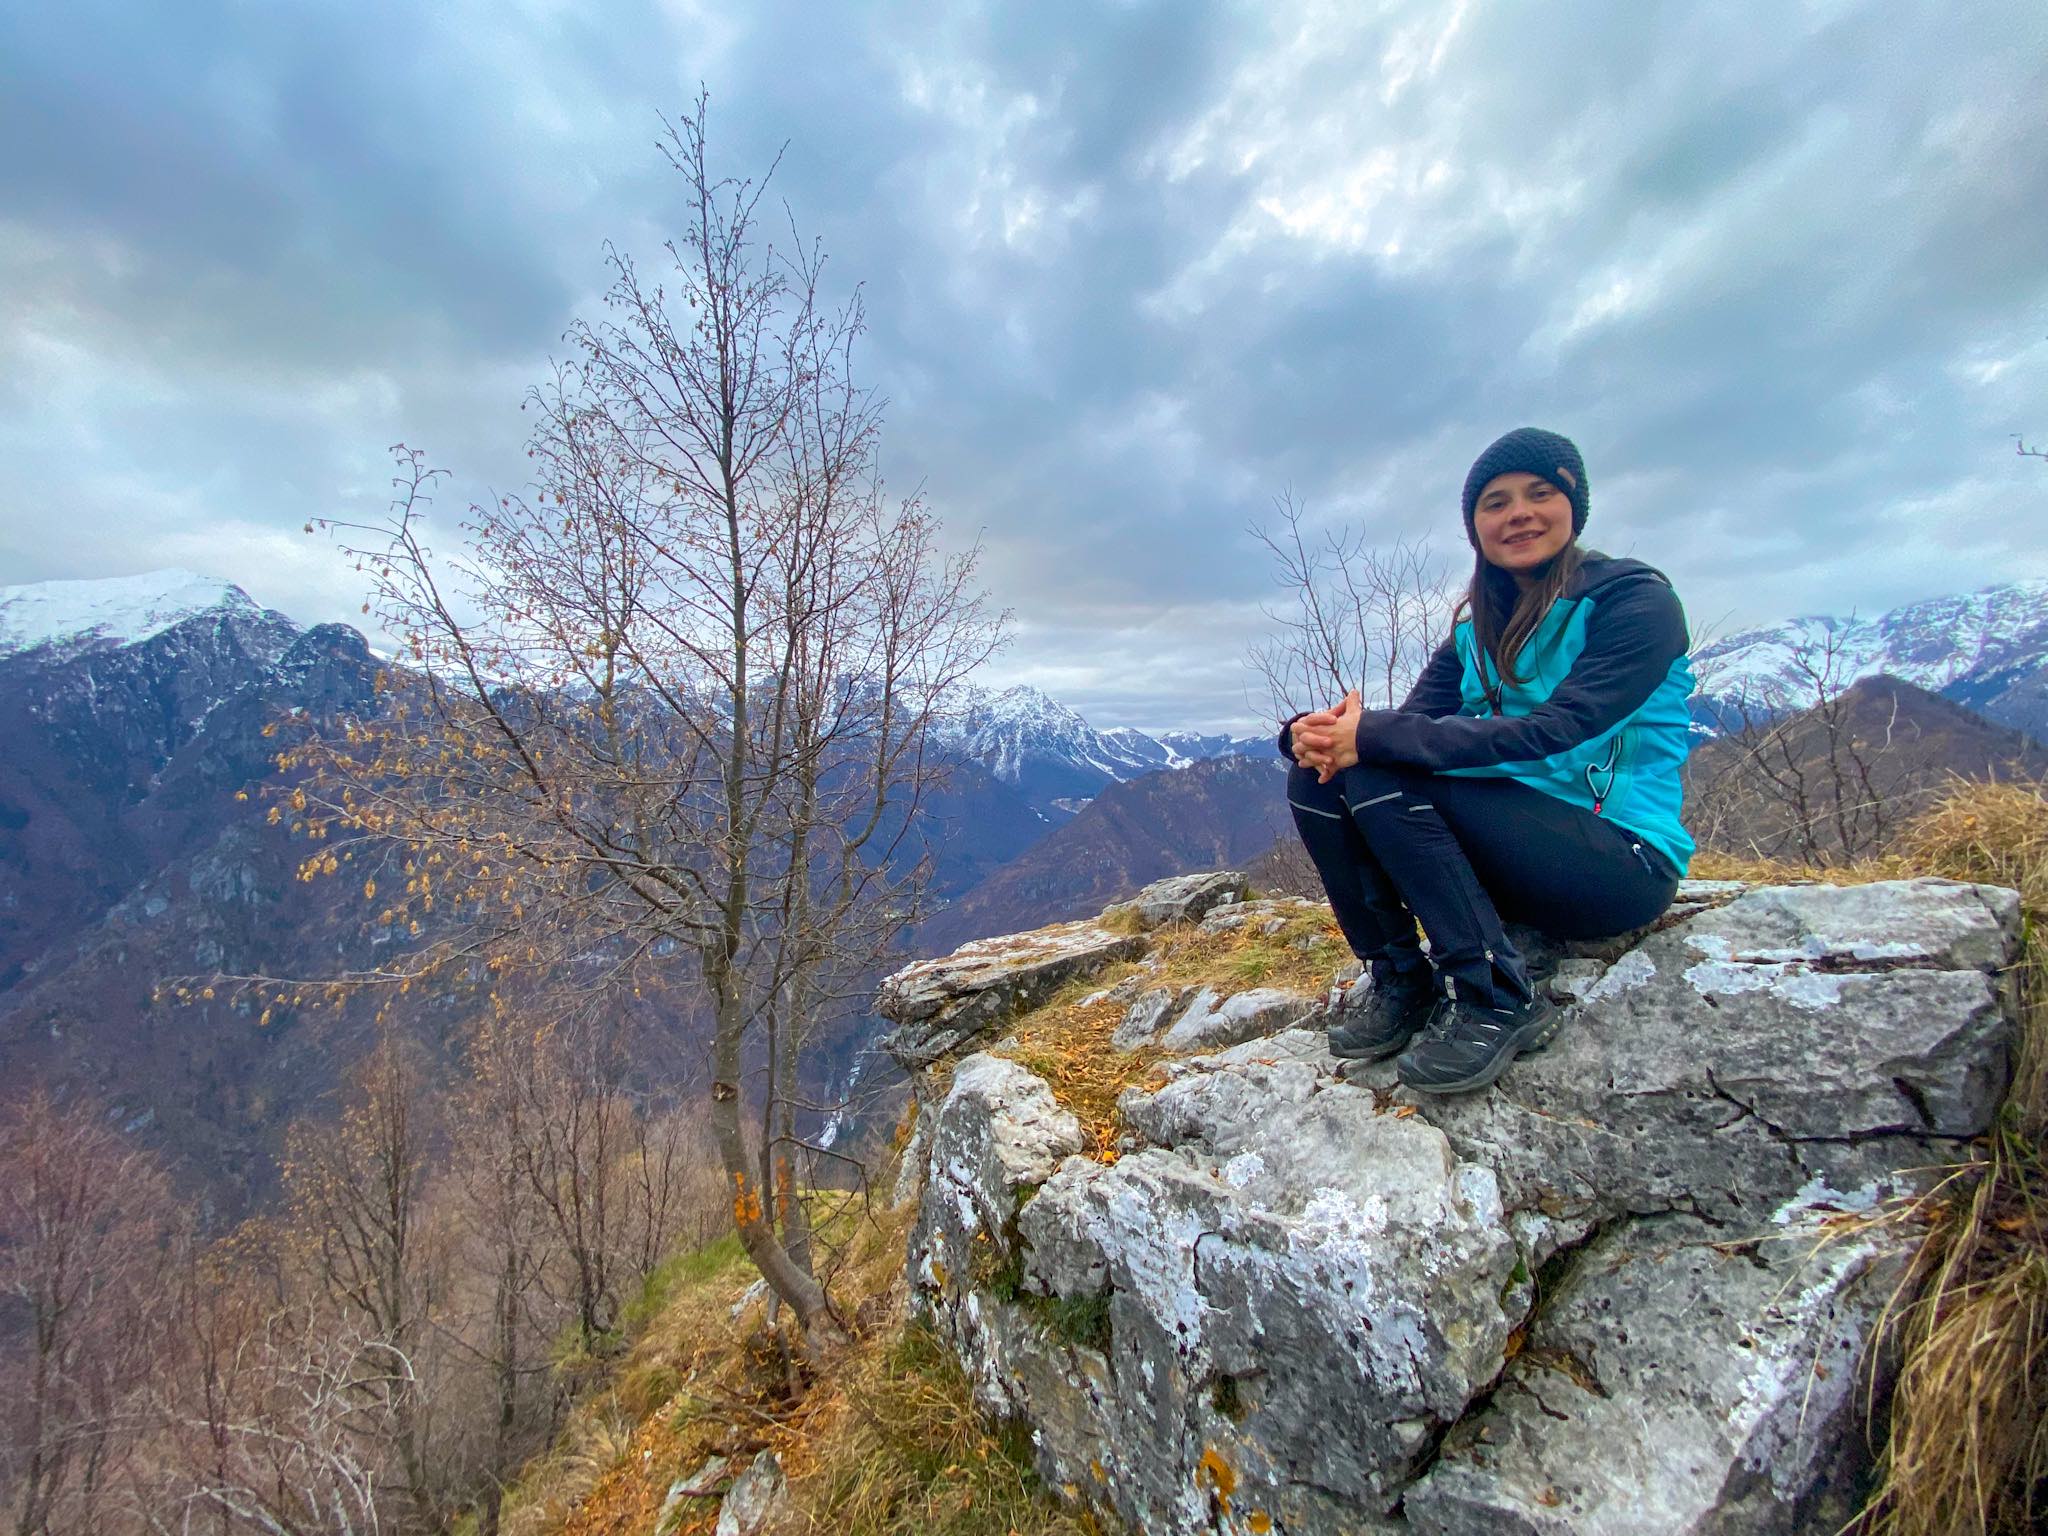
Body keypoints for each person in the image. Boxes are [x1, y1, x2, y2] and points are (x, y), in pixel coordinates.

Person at [1281, 426, 1694, 1095]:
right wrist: (1313, 737)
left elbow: (1556, 730)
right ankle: (1401, 978)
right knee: (1320, 778)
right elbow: (1412, 726)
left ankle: (1496, 996)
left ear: (1573, 506)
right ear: (1476, 525)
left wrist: (1373, 739)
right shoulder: (1476, 630)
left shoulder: (1633, 603)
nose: (1519, 513)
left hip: (1618, 861)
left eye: (1540, 493)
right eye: (1496, 502)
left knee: (1379, 763)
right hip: (1512, 852)